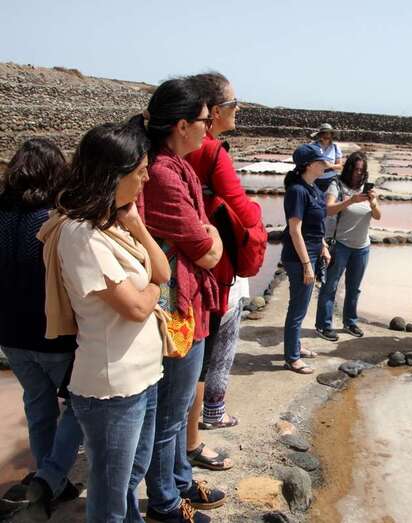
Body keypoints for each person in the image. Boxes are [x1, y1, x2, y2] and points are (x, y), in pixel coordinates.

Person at [37, 119, 170, 522]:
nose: (147, 177)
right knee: (109, 500)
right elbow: (135, 306)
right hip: (113, 387)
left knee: (130, 477)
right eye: (140, 171)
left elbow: (162, 271)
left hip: (145, 377)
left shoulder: (113, 223)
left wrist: (137, 225)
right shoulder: (81, 235)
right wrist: (152, 291)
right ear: (112, 175)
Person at [138, 78, 225, 523]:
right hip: (175, 308)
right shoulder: (162, 175)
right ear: (183, 124)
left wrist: (206, 236)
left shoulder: (175, 165)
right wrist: (210, 236)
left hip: (187, 302)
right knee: (170, 411)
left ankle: (179, 479)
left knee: (175, 405)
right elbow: (208, 249)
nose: (210, 130)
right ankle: (166, 503)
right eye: (206, 121)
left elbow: (203, 241)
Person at [184, 72, 263, 471]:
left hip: (177, 262)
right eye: (233, 105)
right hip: (211, 267)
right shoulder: (212, 153)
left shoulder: (167, 152)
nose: (238, 110)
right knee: (204, 349)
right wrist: (255, 216)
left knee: (182, 354)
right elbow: (245, 210)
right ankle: (192, 440)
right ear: (212, 113)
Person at [0, 139, 81, 518]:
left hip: (11, 334)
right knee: (80, 406)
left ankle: (54, 482)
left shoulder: (1, 213)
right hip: (53, 334)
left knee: (38, 407)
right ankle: (49, 477)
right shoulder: (55, 219)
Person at [315, 151, 381, 341]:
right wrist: (351, 200)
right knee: (330, 286)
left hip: (362, 247)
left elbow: (377, 216)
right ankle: (324, 325)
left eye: (362, 170)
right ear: (349, 168)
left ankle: (350, 322)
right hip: (340, 245)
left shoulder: (366, 190)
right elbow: (328, 209)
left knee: (354, 287)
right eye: (356, 169)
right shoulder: (337, 185)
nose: (359, 174)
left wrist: (374, 203)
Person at [281, 143, 331, 374]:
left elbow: (316, 226)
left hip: (312, 251)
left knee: (301, 305)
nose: (325, 165)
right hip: (299, 256)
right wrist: (306, 265)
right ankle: (292, 357)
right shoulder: (297, 191)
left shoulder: (314, 189)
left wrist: (322, 246)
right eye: (321, 161)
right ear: (309, 165)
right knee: (297, 307)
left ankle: (296, 347)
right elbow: (295, 230)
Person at [311, 123, 342, 191]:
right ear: (320, 135)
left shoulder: (335, 147)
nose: (326, 136)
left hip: (331, 180)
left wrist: (328, 165)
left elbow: (339, 166)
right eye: (324, 133)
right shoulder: (312, 146)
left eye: (328, 133)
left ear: (331, 135)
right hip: (315, 180)